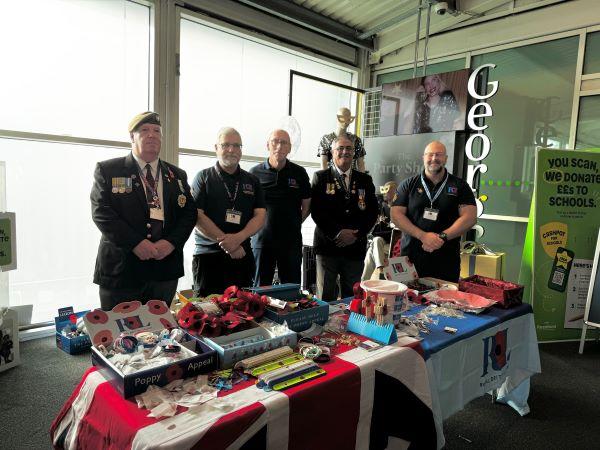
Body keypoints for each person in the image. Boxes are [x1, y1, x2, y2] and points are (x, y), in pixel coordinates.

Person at [91, 111, 197, 311]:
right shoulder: (109, 170)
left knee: (159, 333)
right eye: (145, 130)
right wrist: (135, 243)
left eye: (157, 131)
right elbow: (101, 211)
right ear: (132, 136)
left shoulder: (177, 175)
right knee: (120, 335)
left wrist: (172, 242)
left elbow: (189, 213)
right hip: (123, 270)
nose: (152, 135)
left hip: (164, 270)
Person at [191, 127, 266, 296]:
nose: (231, 150)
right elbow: (197, 216)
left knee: (244, 313)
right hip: (208, 257)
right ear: (216, 148)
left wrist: (238, 239)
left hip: (242, 255)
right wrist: (228, 244)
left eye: (236, 145)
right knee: (208, 314)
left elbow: (260, 215)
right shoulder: (203, 177)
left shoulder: (252, 180)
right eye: (226, 145)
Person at [390, 141, 476, 282]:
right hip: (410, 259)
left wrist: (441, 237)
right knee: (406, 300)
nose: (434, 158)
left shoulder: (460, 186)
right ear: (423, 157)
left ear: (446, 158)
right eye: (430, 154)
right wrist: (423, 236)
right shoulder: (408, 184)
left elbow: (470, 218)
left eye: (439, 155)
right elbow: (396, 215)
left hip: (446, 260)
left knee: (445, 302)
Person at [311, 136, 378, 301]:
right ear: (332, 152)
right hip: (327, 247)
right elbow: (317, 211)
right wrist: (338, 233)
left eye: (349, 148)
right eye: (340, 148)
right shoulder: (320, 177)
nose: (345, 152)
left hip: (354, 249)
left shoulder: (365, 180)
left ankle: (350, 326)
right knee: (325, 296)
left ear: (354, 153)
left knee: (352, 296)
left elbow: (372, 212)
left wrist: (355, 235)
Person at [249, 129, 311, 286]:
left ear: (290, 148)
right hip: (262, 242)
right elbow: (248, 208)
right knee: (260, 291)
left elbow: (307, 205)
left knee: (291, 291)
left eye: (284, 143)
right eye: (275, 141)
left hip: (291, 241)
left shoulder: (299, 173)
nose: (279, 146)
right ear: (267, 145)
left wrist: (294, 222)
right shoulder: (254, 173)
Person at [361, 181, 398, 281]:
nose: (385, 193)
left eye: (388, 190)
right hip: (383, 242)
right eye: (384, 190)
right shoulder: (381, 207)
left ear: (395, 192)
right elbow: (375, 230)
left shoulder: (400, 207)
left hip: (396, 243)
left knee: (371, 250)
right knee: (376, 241)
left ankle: (363, 283)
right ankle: (379, 269)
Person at [318, 107, 366, 172]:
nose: (346, 122)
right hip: (332, 177)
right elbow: (323, 164)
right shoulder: (326, 139)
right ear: (337, 119)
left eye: (348, 119)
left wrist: (363, 180)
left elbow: (361, 164)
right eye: (343, 118)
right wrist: (324, 180)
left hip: (352, 178)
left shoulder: (355, 140)